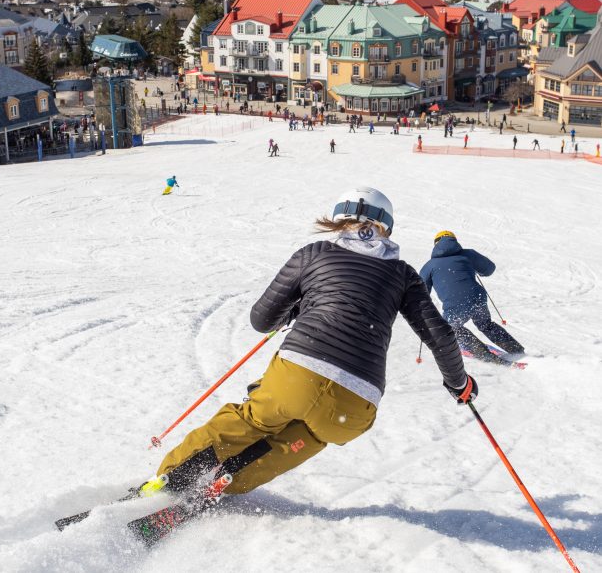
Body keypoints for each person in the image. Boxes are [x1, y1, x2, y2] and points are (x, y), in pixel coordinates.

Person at [150, 188, 477, 499]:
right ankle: (230, 481)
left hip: (298, 375)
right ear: (386, 229)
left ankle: (173, 477)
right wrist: (459, 384)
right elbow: (441, 336)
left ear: (339, 218)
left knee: (253, 418)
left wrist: (294, 308)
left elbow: (261, 320)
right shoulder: (404, 274)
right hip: (356, 403)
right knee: (311, 434)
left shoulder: (315, 253)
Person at [420, 231, 524, 361]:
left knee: (450, 328)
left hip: (455, 304)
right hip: (478, 298)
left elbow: (420, 291)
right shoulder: (468, 254)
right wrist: (477, 269)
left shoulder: (430, 266)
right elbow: (489, 269)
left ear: (435, 244)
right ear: (455, 241)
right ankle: (516, 349)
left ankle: (483, 353)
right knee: (485, 324)